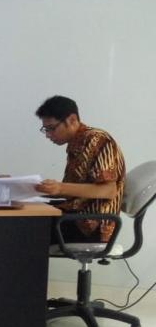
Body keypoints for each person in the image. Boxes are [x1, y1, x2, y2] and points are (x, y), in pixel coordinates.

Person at [34, 96, 126, 244]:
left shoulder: (97, 140)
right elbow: (73, 192)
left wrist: (60, 188)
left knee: (23, 225)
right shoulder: (77, 144)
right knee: (26, 214)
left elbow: (108, 190)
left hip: (90, 225)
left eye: (51, 128)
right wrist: (29, 187)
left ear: (72, 120)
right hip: (74, 215)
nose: (48, 135)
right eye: (45, 129)